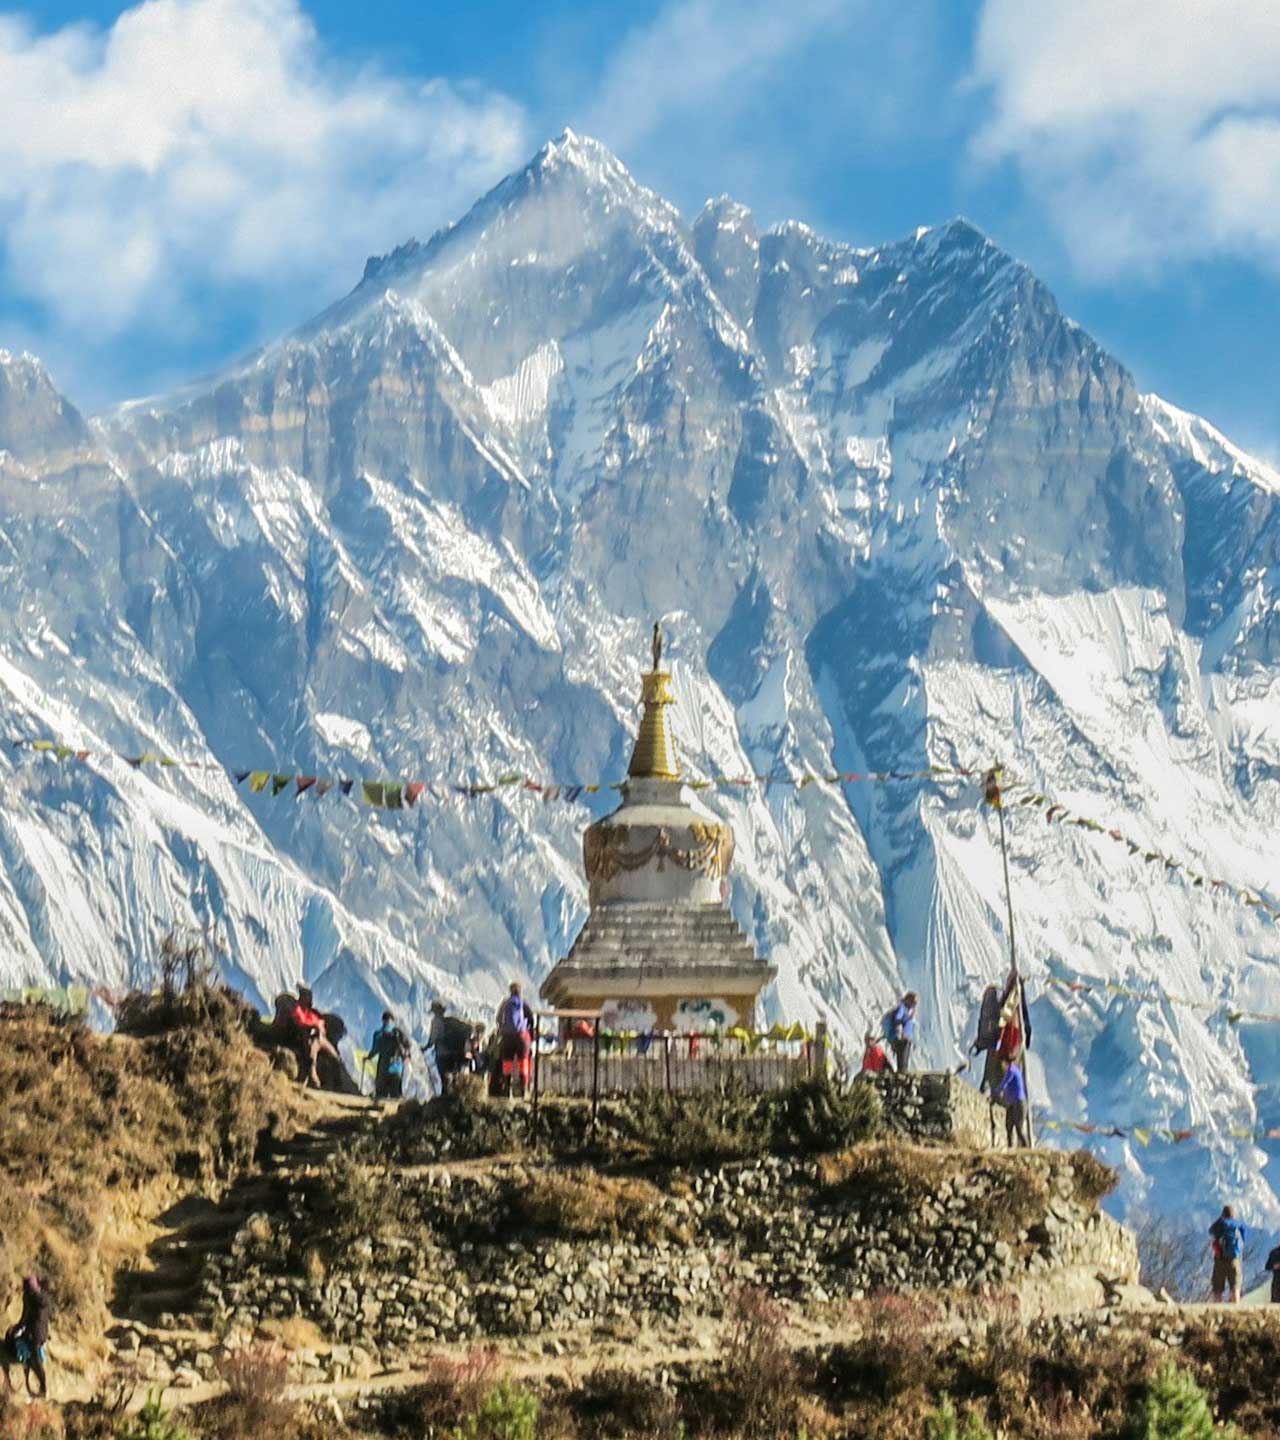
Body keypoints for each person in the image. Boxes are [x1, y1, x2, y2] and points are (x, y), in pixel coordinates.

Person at [3, 1276, 50, 1397]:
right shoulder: (44, 1297)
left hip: (34, 1333)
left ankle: (43, 1388)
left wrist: (17, 1328)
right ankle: (38, 1384)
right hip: (41, 1332)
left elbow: (25, 1317)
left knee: (36, 1361)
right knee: (34, 1359)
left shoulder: (31, 1299)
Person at [292, 985, 341, 1089]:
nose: (310, 999)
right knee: (311, 1057)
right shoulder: (298, 1009)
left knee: (335, 1057)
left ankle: (337, 1083)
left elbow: (320, 1020)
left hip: (320, 1037)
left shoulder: (312, 1011)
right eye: (308, 997)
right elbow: (300, 1022)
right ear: (302, 997)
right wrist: (314, 1025)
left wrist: (320, 1025)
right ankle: (313, 1079)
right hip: (308, 1037)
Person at [496, 982, 534, 1097]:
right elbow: (531, 1019)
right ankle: (524, 1089)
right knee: (524, 1062)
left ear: (510, 991)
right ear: (520, 991)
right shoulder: (523, 1003)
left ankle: (507, 1089)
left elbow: (498, 1019)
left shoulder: (505, 1003)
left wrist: (503, 1030)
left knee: (507, 1062)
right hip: (522, 1036)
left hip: (507, 1037)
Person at [368, 1010, 409, 1101]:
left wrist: (368, 1057)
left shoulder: (378, 1033)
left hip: (383, 1069)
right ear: (393, 1020)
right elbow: (406, 1049)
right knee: (395, 1097)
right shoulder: (399, 1033)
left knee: (381, 1096)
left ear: (383, 1020)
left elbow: (375, 1050)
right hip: (397, 1069)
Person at [1209, 1205, 1247, 1303]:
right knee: (1235, 1287)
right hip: (1235, 1259)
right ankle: (1236, 1308)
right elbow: (1244, 1239)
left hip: (1220, 1259)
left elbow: (1211, 1231)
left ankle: (1217, 1310)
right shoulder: (1239, 1225)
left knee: (1218, 1288)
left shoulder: (1220, 1224)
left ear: (1223, 1214)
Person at [993, 1059, 1030, 1147]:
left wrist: (994, 1092)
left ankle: (1027, 1149)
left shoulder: (1011, 1071)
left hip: (1019, 1103)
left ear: (1005, 1063)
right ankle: (1010, 1148)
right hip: (1012, 1103)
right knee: (1008, 1126)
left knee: (1019, 1128)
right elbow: (1008, 1089)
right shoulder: (1014, 1070)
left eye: (1002, 1064)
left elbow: (1004, 1084)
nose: (1002, 1067)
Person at [887, 992, 918, 1073]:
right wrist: (908, 1018)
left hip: (906, 1037)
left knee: (904, 1058)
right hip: (902, 1038)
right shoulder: (902, 1008)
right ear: (908, 1000)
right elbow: (897, 1020)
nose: (914, 1005)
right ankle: (902, 1072)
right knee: (902, 1059)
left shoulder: (907, 1009)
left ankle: (903, 1071)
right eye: (914, 1002)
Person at [1266, 1239, 1280, 1305]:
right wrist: (1275, 1266)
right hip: (1277, 1283)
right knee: (1275, 1305)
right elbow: (1267, 1266)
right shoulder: (1274, 1252)